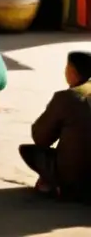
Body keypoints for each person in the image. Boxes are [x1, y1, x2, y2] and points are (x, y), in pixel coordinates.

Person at [19, 51, 91, 201]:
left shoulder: (66, 97)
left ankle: (55, 184)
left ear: (72, 71)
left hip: (75, 179)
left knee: (29, 151)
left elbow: (40, 138)